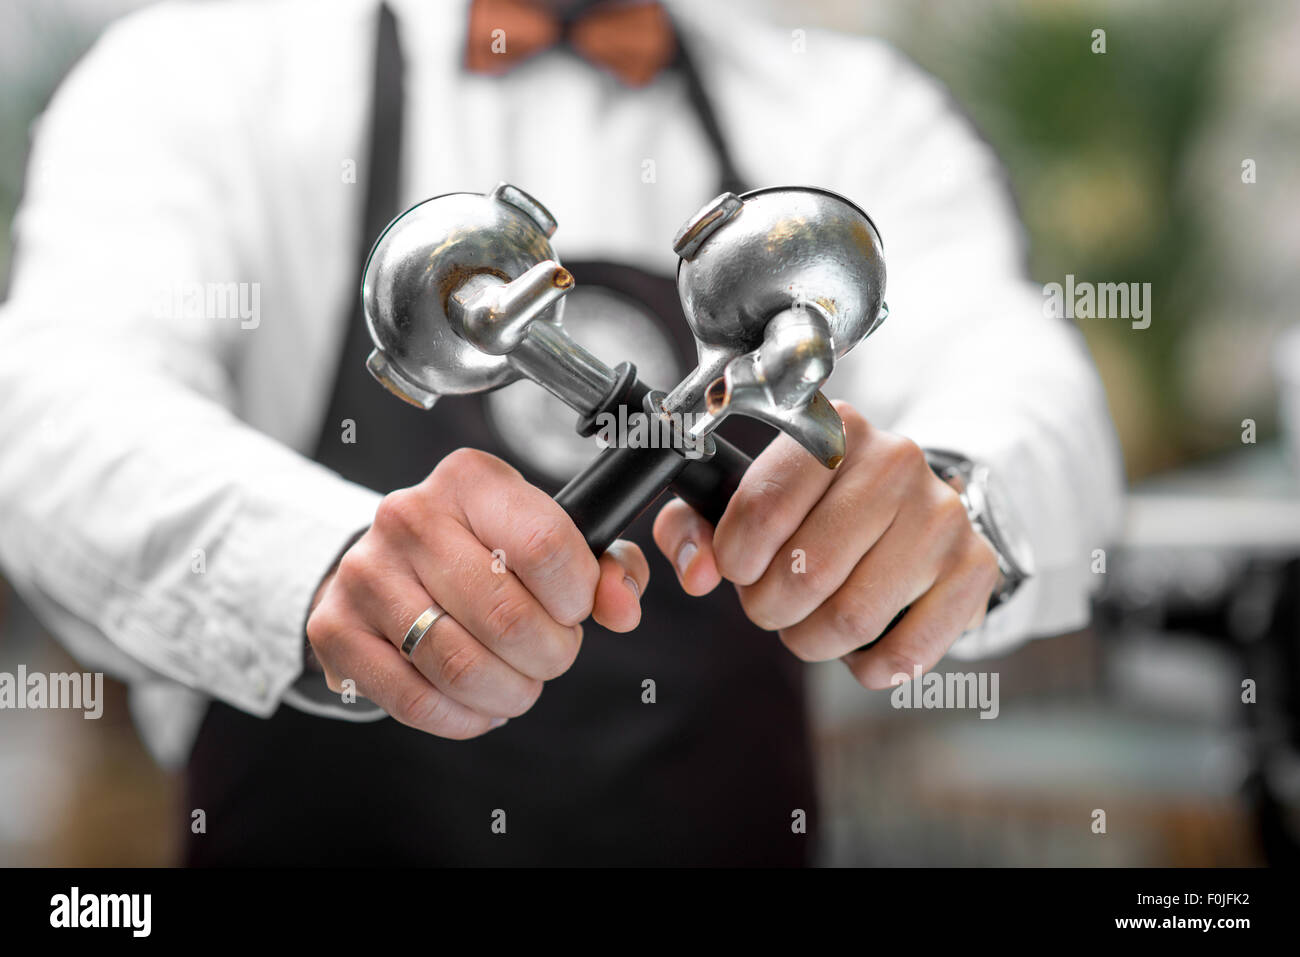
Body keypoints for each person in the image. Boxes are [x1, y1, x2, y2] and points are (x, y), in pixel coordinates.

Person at [0, 0, 1123, 865]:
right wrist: (320, 561)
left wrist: (952, 502)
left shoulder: (850, 109)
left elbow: (1022, 374)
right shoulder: (205, 69)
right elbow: (52, 406)